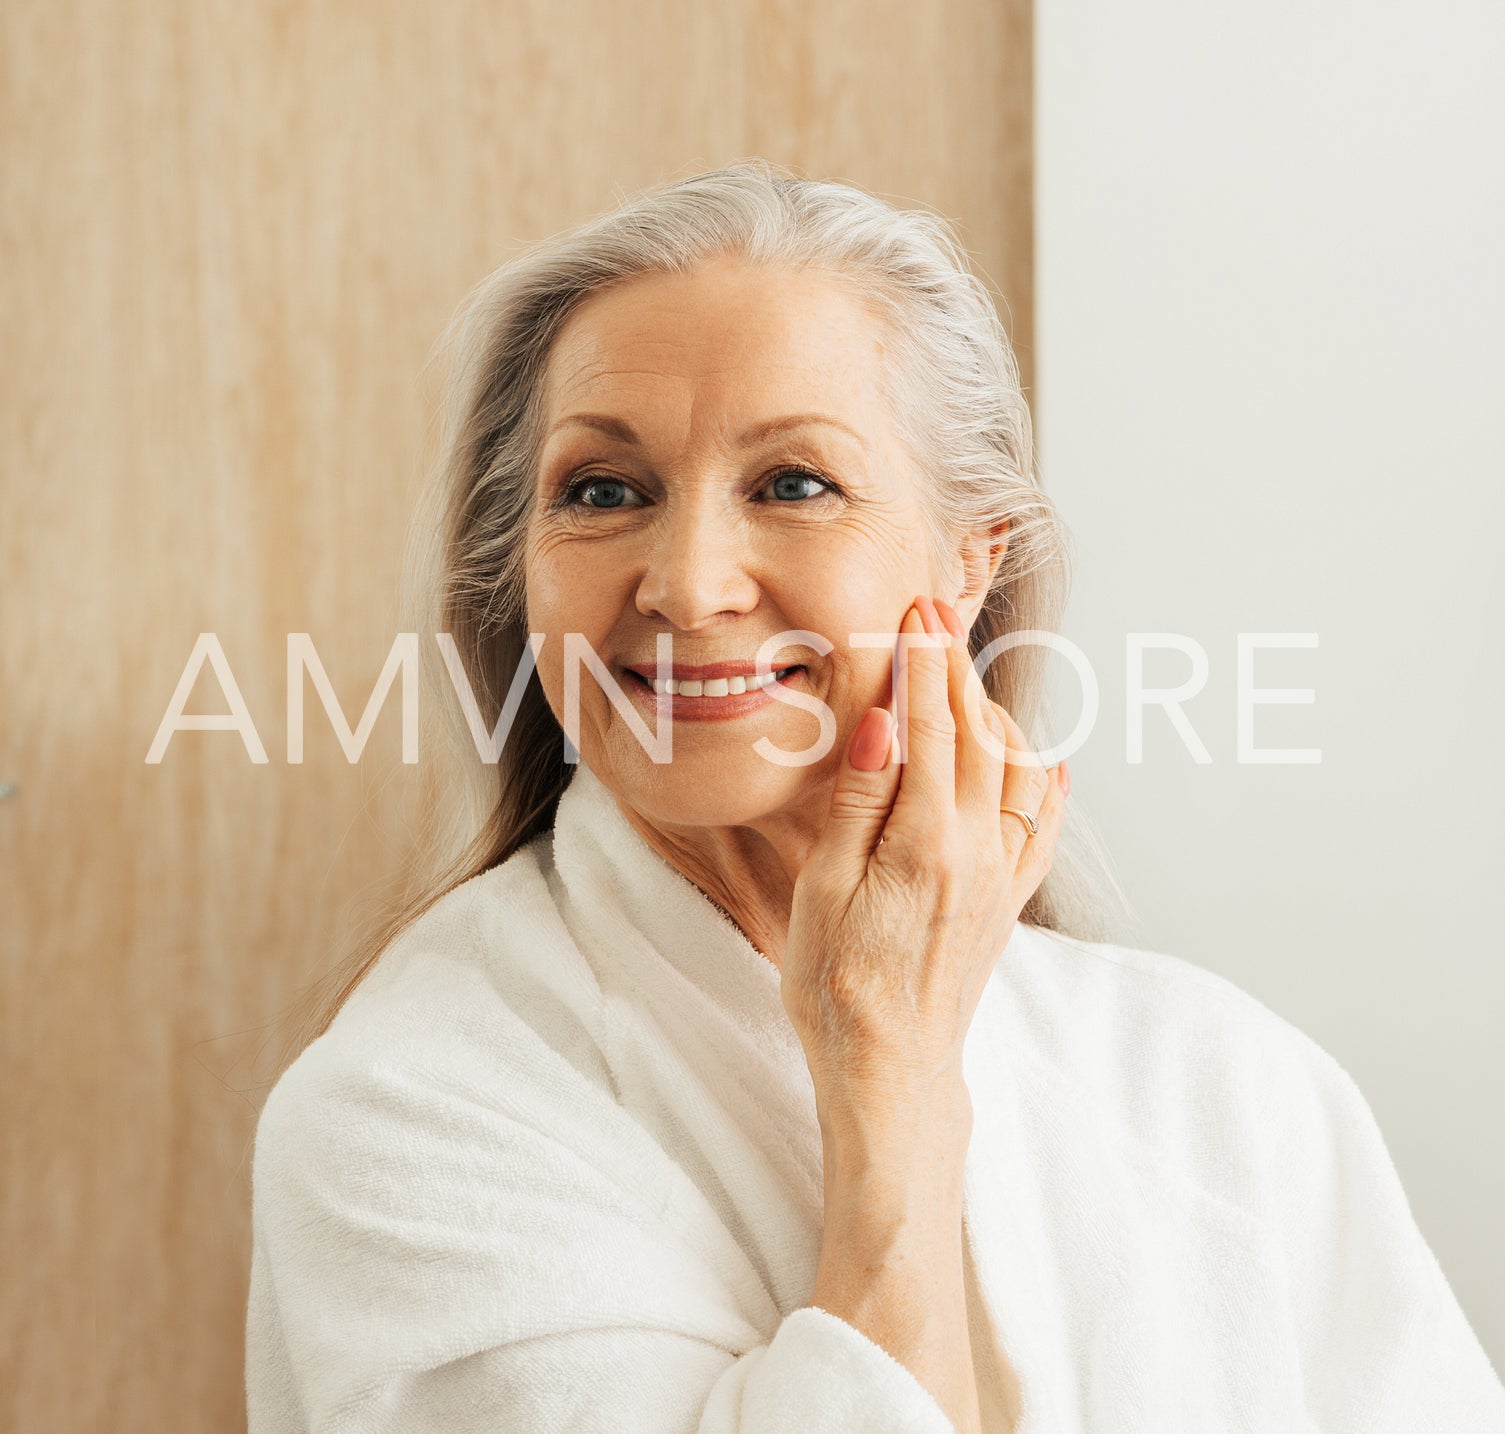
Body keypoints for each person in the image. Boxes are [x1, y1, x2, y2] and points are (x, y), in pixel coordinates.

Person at [245, 160, 1505, 1433]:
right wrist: (889, 1088)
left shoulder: (1221, 1088)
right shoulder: (406, 1113)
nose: (686, 584)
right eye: (602, 491)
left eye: (794, 484)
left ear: (968, 563)